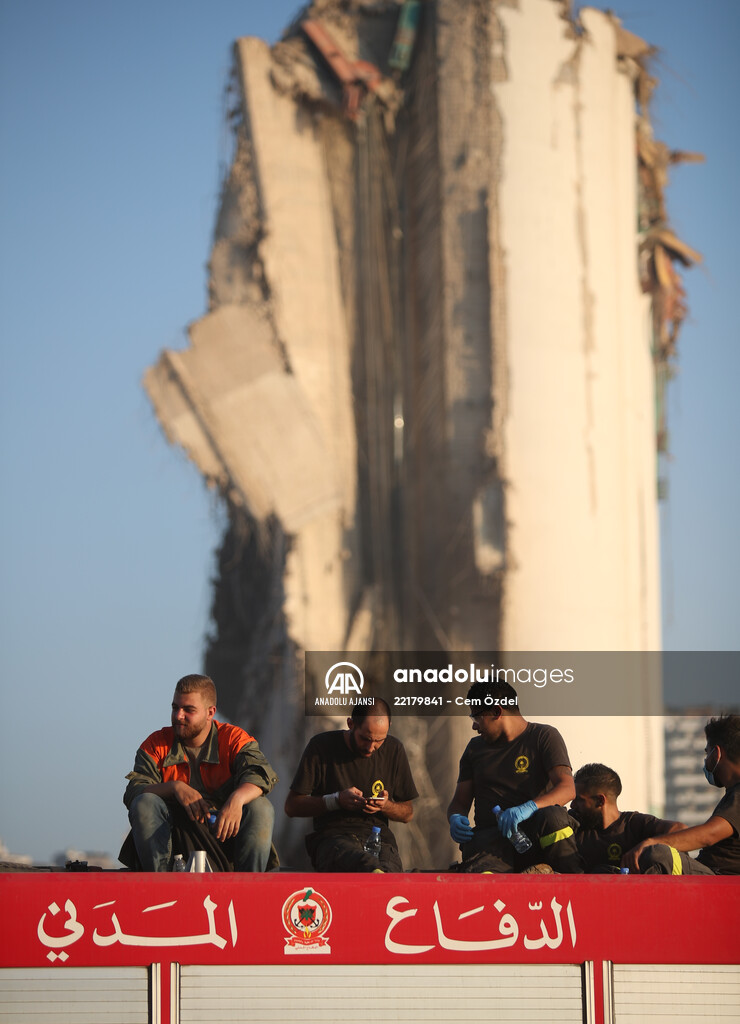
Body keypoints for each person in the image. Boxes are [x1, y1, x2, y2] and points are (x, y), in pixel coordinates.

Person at [121, 674, 277, 871]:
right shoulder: (156, 744)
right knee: (144, 803)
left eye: (189, 710)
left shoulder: (233, 739)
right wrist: (174, 787)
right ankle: (159, 886)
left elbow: (260, 775)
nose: (178, 716)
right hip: (173, 843)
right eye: (175, 707)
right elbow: (134, 791)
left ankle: (249, 889)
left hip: (226, 836)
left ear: (210, 712)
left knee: (260, 807)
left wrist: (236, 800)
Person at [447, 679, 581, 872]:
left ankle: (571, 883)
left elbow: (567, 788)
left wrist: (528, 808)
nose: (474, 727)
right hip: (491, 843)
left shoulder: (543, 736)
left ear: (496, 712)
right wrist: (455, 818)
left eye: (476, 718)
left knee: (554, 817)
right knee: (481, 872)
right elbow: (459, 802)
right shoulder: (474, 749)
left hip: (536, 836)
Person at [284, 699, 418, 872]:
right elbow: (292, 806)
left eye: (379, 741)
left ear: (389, 727)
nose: (371, 747)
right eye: (365, 739)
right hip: (333, 838)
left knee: (389, 870)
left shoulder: (395, 749)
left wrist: (385, 806)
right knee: (365, 866)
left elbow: (407, 813)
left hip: (379, 838)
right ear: (350, 724)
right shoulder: (321, 746)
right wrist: (335, 800)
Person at [626, 714, 740, 875]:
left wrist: (652, 842)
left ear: (716, 754)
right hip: (709, 872)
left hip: (719, 880)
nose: (706, 759)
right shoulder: (732, 794)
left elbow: (709, 835)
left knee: (658, 854)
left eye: (707, 753)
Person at [571, 763, 684, 872]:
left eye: (579, 800)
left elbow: (680, 829)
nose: (572, 805)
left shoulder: (634, 824)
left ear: (600, 800)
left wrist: (647, 845)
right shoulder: (574, 823)